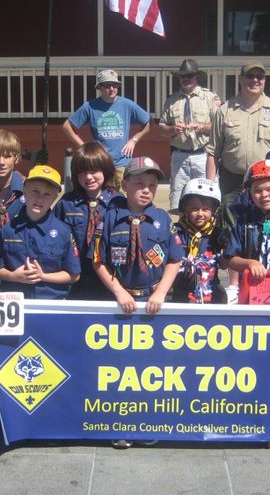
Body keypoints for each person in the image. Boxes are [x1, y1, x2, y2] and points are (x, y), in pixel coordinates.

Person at [90, 156, 183, 450]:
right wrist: (119, 292)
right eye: (139, 184)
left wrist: (159, 294)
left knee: (151, 368)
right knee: (120, 368)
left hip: (154, 301)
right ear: (125, 184)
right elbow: (98, 261)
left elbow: (174, 261)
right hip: (122, 302)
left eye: (152, 185)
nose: (146, 190)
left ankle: (147, 421)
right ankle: (121, 424)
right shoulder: (107, 217)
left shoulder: (163, 220)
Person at [205, 60, 270, 302]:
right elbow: (213, 152)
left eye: (260, 76)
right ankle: (236, 285)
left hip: (268, 183)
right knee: (233, 229)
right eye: (250, 76)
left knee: (268, 229)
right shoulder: (225, 110)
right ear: (240, 78)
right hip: (233, 180)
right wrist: (210, 186)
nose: (255, 80)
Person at [0, 165, 81, 299]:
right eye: (35, 191)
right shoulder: (8, 229)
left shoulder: (63, 231)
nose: (40, 199)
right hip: (16, 305)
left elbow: (74, 275)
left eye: (47, 194)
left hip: (50, 306)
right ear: (24, 191)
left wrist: (43, 277)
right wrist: (13, 276)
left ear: (55, 197)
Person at [54, 142, 120, 300]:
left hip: (110, 281)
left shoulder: (118, 202)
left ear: (106, 169)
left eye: (94, 170)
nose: (88, 177)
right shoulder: (67, 203)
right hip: (75, 281)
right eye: (82, 172)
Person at [62, 69, 152, 185]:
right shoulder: (90, 106)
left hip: (123, 164)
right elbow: (66, 126)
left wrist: (133, 140)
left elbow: (150, 123)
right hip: (100, 165)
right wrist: (84, 147)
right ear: (99, 87)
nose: (112, 89)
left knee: (123, 200)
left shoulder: (127, 104)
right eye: (107, 86)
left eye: (115, 85)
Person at [158, 59, 220, 210]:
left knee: (206, 197)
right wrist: (173, 129)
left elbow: (220, 127)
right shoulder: (171, 101)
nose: (186, 79)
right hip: (179, 156)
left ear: (196, 78)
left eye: (190, 76)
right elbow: (161, 129)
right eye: (183, 76)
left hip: (203, 155)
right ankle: (181, 231)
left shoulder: (210, 98)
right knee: (178, 199)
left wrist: (200, 126)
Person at [172, 178, 226, 304]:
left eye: (206, 209)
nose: (200, 213)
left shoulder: (217, 234)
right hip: (181, 292)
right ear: (184, 209)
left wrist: (225, 249)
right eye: (194, 208)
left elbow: (225, 264)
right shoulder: (175, 231)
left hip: (211, 293)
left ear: (213, 211)